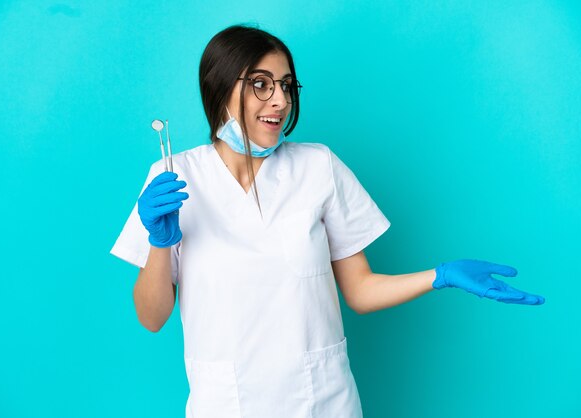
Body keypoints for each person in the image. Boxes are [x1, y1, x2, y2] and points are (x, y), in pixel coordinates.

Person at [110, 24, 545, 418]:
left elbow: (359, 290)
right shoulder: (174, 178)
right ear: (219, 88)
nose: (280, 101)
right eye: (260, 85)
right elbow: (152, 317)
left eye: (285, 85)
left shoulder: (318, 166)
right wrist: (159, 242)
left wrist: (442, 275)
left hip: (322, 401)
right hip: (227, 404)